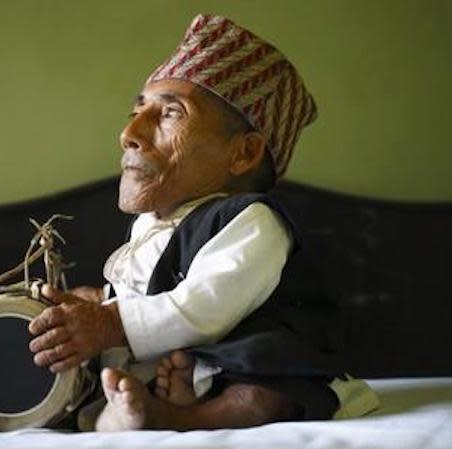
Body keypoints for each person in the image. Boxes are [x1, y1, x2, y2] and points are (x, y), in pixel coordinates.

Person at [28, 14, 379, 431]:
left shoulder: (252, 220)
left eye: (170, 113)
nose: (129, 133)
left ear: (243, 154)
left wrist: (110, 321)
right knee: (88, 387)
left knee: (258, 396)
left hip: (250, 363)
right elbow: (148, 286)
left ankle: (185, 414)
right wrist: (99, 299)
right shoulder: (152, 223)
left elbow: (205, 305)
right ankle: (137, 409)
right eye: (135, 111)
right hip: (181, 362)